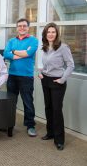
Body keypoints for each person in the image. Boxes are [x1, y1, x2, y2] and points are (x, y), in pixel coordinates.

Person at [38, 23, 74, 151]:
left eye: (53, 32)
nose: (51, 34)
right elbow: (44, 64)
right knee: (48, 108)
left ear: (57, 34)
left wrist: (63, 79)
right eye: (48, 32)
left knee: (57, 110)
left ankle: (59, 140)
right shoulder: (45, 47)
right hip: (45, 80)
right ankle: (50, 133)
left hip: (57, 81)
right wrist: (41, 72)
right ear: (45, 34)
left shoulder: (63, 47)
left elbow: (71, 65)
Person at [3, 18, 38, 137]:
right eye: (19, 26)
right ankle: (8, 124)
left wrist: (13, 52)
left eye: (24, 26)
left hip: (26, 77)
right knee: (11, 101)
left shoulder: (33, 40)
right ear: (17, 28)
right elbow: (5, 54)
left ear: (28, 27)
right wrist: (19, 53)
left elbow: (28, 54)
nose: (22, 28)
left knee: (28, 102)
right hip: (12, 75)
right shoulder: (12, 40)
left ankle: (30, 125)